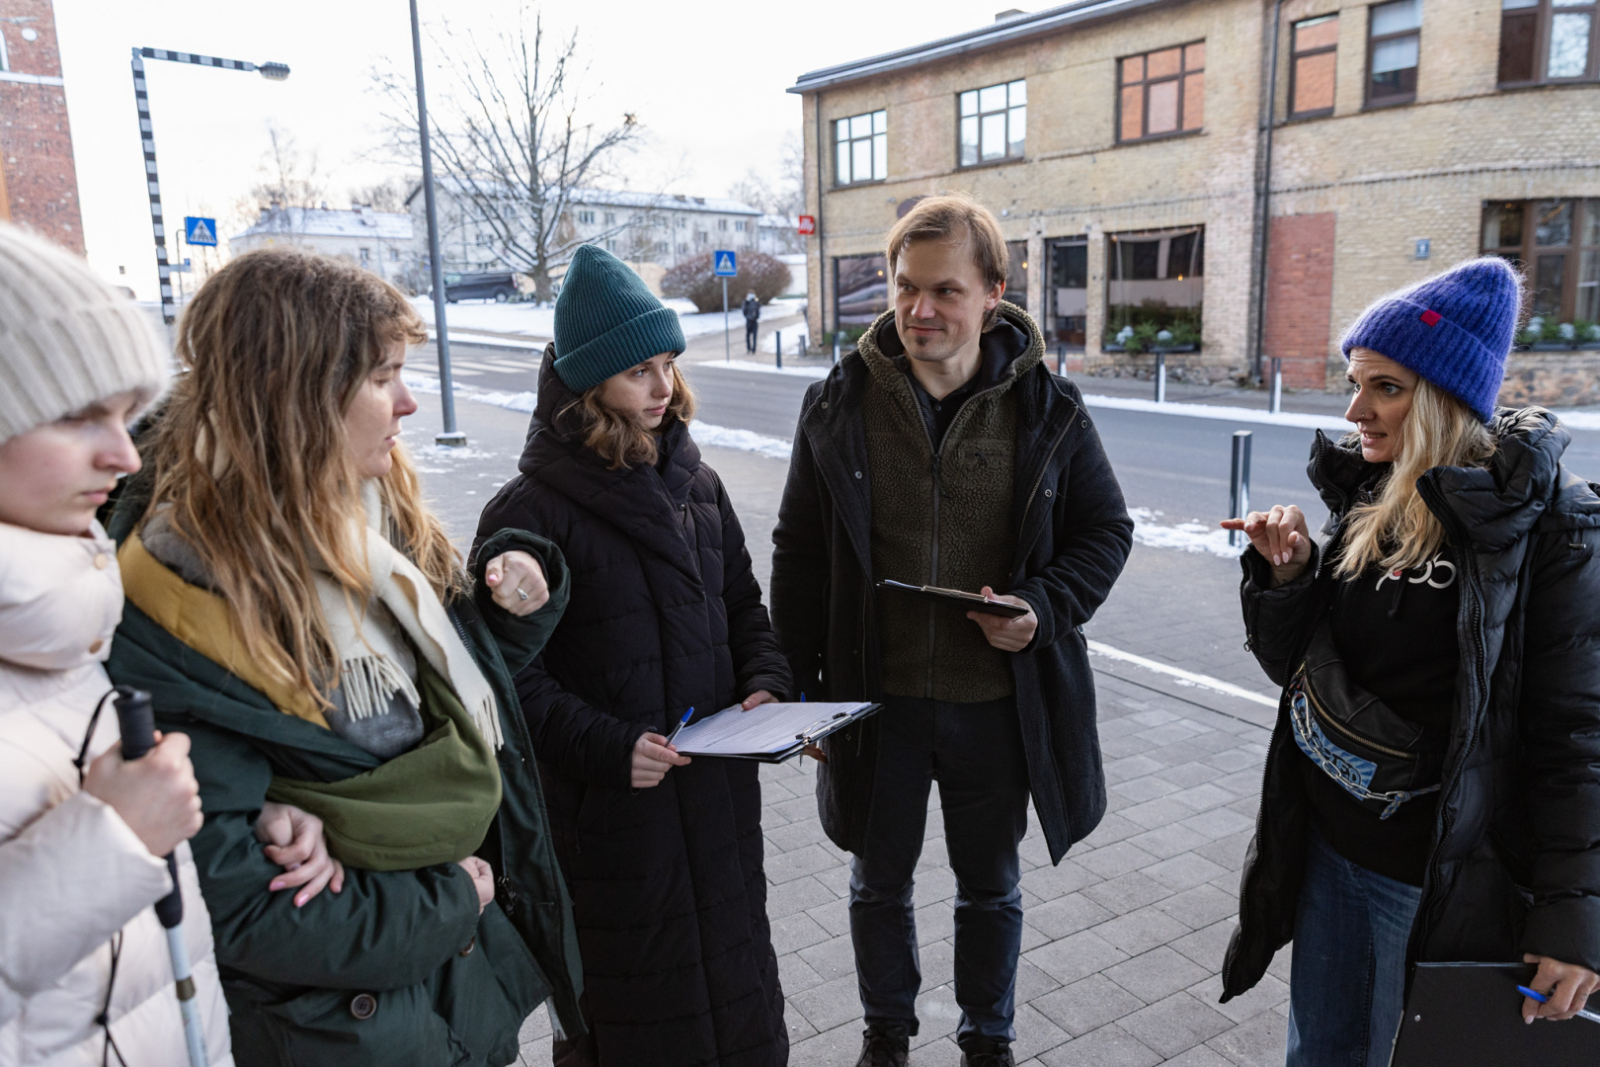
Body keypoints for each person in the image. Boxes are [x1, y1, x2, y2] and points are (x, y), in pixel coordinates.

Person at [102, 246, 585, 1066]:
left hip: (447, 1001)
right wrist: (452, 900)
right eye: (381, 376)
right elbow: (247, 908)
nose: (408, 400)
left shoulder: (367, 519)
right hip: (348, 1026)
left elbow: (444, 696)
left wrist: (521, 601)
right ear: (297, 396)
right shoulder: (183, 599)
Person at [769, 195, 1134, 1067]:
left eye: (945, 291)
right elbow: (799, 553)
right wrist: (800, 692)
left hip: (993, 706)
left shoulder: (1048, 408)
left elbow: (1105, 532)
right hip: (876, 700)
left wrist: (1041, 610)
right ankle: (886, 1035)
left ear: (993, 292)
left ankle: (987, 1039)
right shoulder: (838, 406)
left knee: (990, 887)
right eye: (904, 288)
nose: (920, 310)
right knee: (876, 881)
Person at [1219, 257, 1600, 1065]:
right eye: (1355, 382)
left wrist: (1572, 917)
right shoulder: (1369, 495)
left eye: (1384, 387)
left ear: (1442, 394)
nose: (1355, 408)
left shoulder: (1550, 526)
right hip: (1328, 846)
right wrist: (1286, 577)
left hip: (1436, 879)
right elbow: (1299, 671)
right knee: (1318, 1050)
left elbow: (1578, 736)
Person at [476, 245, 792, 1067]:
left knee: (738, 1003)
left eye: (667, 365)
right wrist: (610, 747)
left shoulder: (699, 484)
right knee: (635, 1026)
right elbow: (507, 680)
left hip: (718, 811)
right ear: (589, 387)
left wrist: (766, 685)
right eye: (637, 372)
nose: (662, 388)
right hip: (614, 828)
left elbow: (742, 609)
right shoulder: (531, 511)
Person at [0, 222, 237, 1067]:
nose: (123, 454)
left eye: (125, 415)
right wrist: (110, 843)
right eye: (76, 416)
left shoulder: (54, 618)